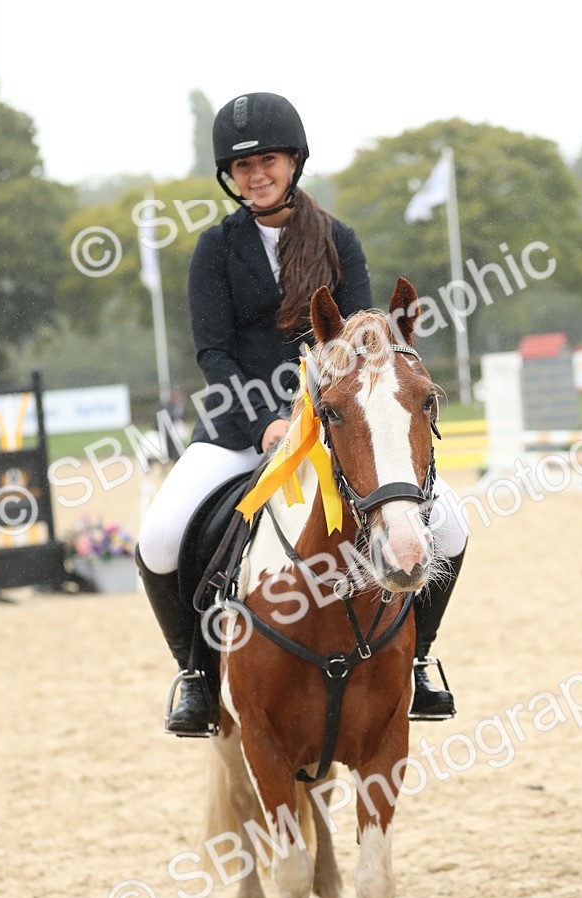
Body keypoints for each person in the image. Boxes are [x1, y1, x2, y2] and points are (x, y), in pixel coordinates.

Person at [136, 92, 468, 735]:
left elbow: (362, 344)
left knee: (450, 526)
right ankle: (195, 676)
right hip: (239, 426)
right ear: (229, 178)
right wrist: (265, 422)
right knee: (157, 537)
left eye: (267, 160)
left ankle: (419, 661)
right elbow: (214, 349)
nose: (255, 175)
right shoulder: (213, 249)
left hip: (332, 423)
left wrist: (314, 417)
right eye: (242, 167)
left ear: (293, 161)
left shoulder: (338, 240)